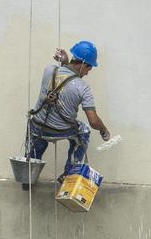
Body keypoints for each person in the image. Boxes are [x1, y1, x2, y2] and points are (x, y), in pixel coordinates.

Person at [25, 40, 111, 179]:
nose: (87, 74)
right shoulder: (83, 88)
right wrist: (103, 130)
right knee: (84, 130)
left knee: (35, 132)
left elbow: (63, 77)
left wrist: (65, 63)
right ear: (83, 65)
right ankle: (69, 174)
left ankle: (28, 175)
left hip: (38, 126)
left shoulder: (49, 70)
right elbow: (93, 121)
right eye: (89, 69)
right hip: (61, 130)